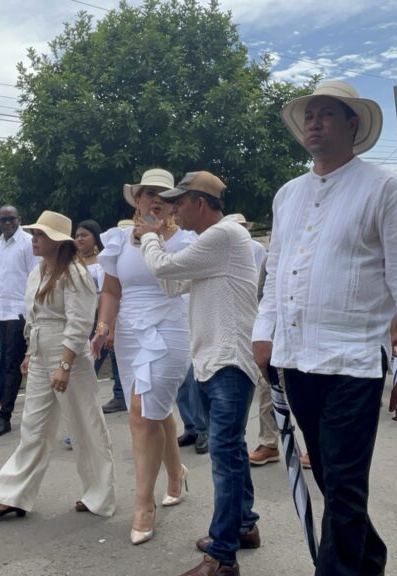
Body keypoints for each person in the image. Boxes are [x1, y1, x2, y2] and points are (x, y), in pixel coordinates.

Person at [253, 81, 397, 576]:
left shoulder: (387, 190)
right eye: (309, 116)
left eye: (326, 114)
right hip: (296, 360)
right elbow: (278, 271)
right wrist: (263, 332)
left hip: (354, 362)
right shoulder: (288, 194)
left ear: (352, 124)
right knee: (333, 483)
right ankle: (369, 560)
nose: (313, 123)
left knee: (347, 488)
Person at [138, 171, 262, 576]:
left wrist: (152, 234)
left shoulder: (223, 236)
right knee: (233, 451)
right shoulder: (215, 243)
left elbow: (163, 268)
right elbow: (174, 285)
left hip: (227, 359)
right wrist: (163, 242)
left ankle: (222, 557)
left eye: (178, 203)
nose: (173, 210)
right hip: (215, 358)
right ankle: (243, 526)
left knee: (225, 457)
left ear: (200, 204)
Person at [0, 211, 117, 519]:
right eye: (34, 234)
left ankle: (99, 494)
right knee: (33, 425)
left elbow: (80, 321)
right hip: (43, 350)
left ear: (57, 241)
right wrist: (31, 353)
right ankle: (13, 494)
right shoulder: (39, 271)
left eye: (40, 235)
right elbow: (33, 318)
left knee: (85, 425)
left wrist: (65, 365)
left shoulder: (76, 273)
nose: (33, 239)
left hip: (68, 352)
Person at [90, 167, 192, 546]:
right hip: (131, 332)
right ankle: (176, 475)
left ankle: (143, 503)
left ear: (174, 204)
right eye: (148, 193)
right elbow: (111, 291)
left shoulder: (186, 240)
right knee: (156, 409)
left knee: (140, 412)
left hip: (170, 328)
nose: (155, 200)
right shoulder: (117, 240)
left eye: (164, 195)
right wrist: (104, 326)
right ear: (137, 199)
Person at [0, 204, 38, 438]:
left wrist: (32, 314)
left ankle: (4, 415)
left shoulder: (28, 243)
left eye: (11, 218)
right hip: (4, 314)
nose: (7, 223)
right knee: (7, 365)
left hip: (22, 314)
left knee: (16, 365)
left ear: (20, 219)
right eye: (3, 219)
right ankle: (5, 412)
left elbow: (35, 278)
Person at [76, 219, 125, 415]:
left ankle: (120, 396)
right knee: (88, 360)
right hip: (82, 317)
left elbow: (111, 292)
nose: (79, 239)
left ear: (95, 238)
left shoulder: (103, 262)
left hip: (102, 316)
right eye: (77, 235)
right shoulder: (74, 262)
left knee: (110, 357)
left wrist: (109, 325)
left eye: (84, 235)